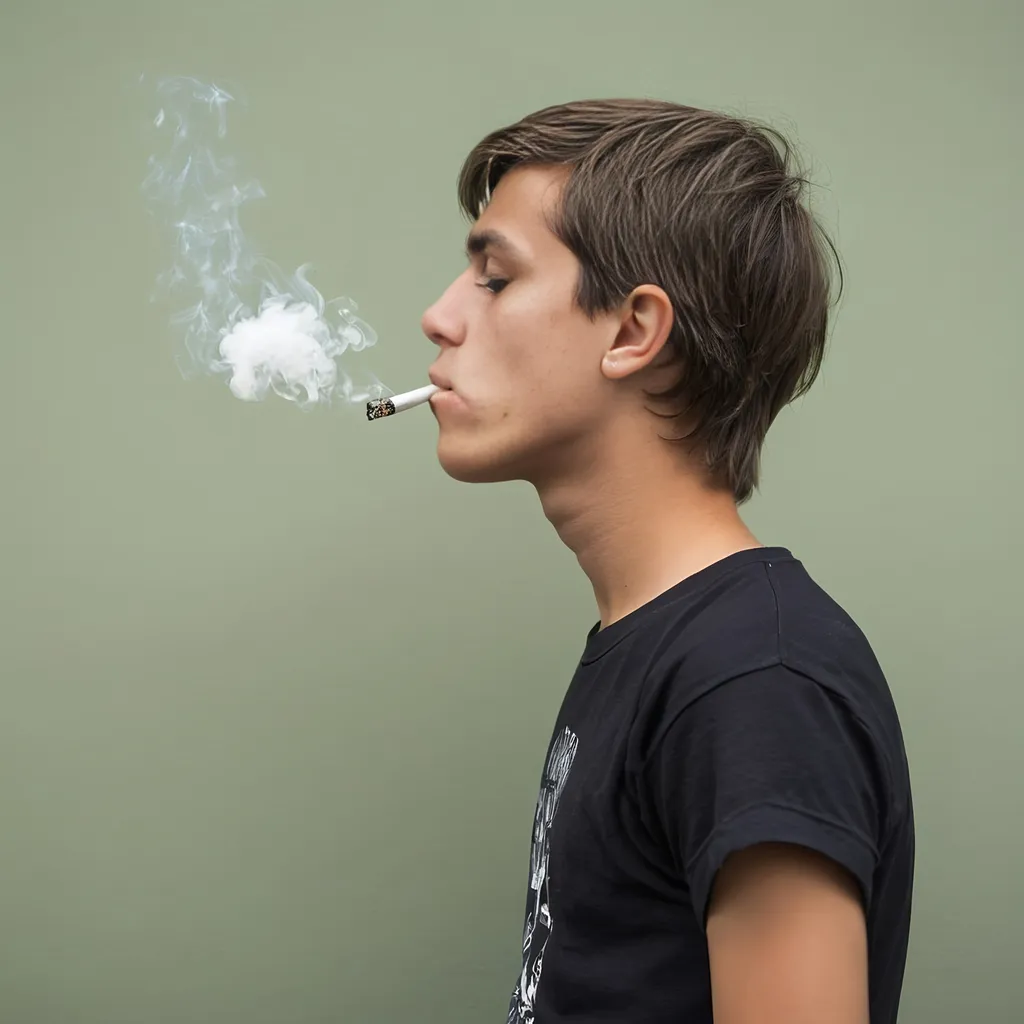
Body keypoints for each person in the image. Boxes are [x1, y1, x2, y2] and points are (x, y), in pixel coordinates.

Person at [420, 99, 914, 1024]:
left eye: (493, 278)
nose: (440, 316)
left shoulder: (754, 683)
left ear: (633, 332)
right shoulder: (671, 648)